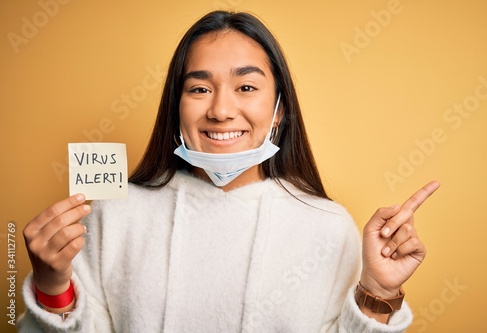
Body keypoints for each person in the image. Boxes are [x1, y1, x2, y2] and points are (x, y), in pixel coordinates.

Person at [19, 10, 439, 332]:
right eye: (199, 88)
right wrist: (53, 286)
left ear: (279, 112)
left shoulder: (328, 228)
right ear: (176, 108)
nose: (220, 110)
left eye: (246, 87)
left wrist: (378, 293)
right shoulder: (113, 215)